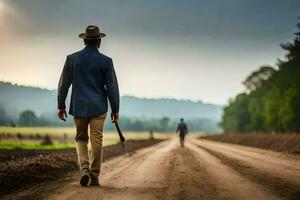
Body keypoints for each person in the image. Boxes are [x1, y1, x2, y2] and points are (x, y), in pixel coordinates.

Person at [57, 25, 120, 187]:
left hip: (79, 106)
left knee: (80, 138)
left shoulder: (72, 59)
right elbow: (112, 88)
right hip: (99, 107)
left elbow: (64, 84)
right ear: (99, 42)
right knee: (96, 139)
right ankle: (94, 175)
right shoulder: (106, 61)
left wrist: (61, 105)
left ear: (84, 40)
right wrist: (115, 109)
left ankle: (84, 168)